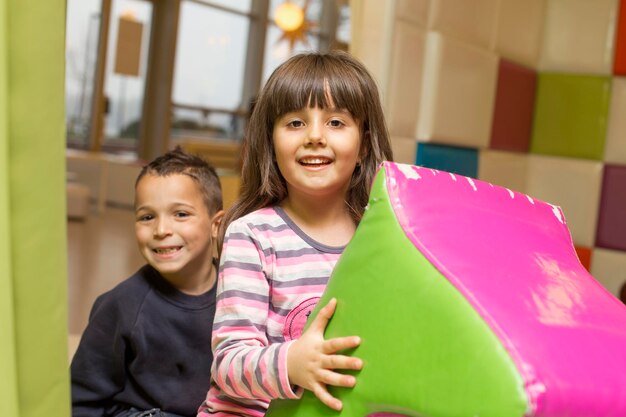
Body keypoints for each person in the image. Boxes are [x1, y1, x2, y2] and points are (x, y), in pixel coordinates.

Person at [198, 50, 393, 417]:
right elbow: (228, 365)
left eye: (336, 122)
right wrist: (292, 363)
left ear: (364, 143)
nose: (315, 136)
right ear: (271, 140)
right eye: (295, 123)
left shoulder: (381, 239)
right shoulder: (252, 236)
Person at [71, 147, 225, 417]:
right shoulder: (121, 306)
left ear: (216, 225)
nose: (161, 230)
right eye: (147, 217)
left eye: (180, 214)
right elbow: (81, 399)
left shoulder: (241, 293)